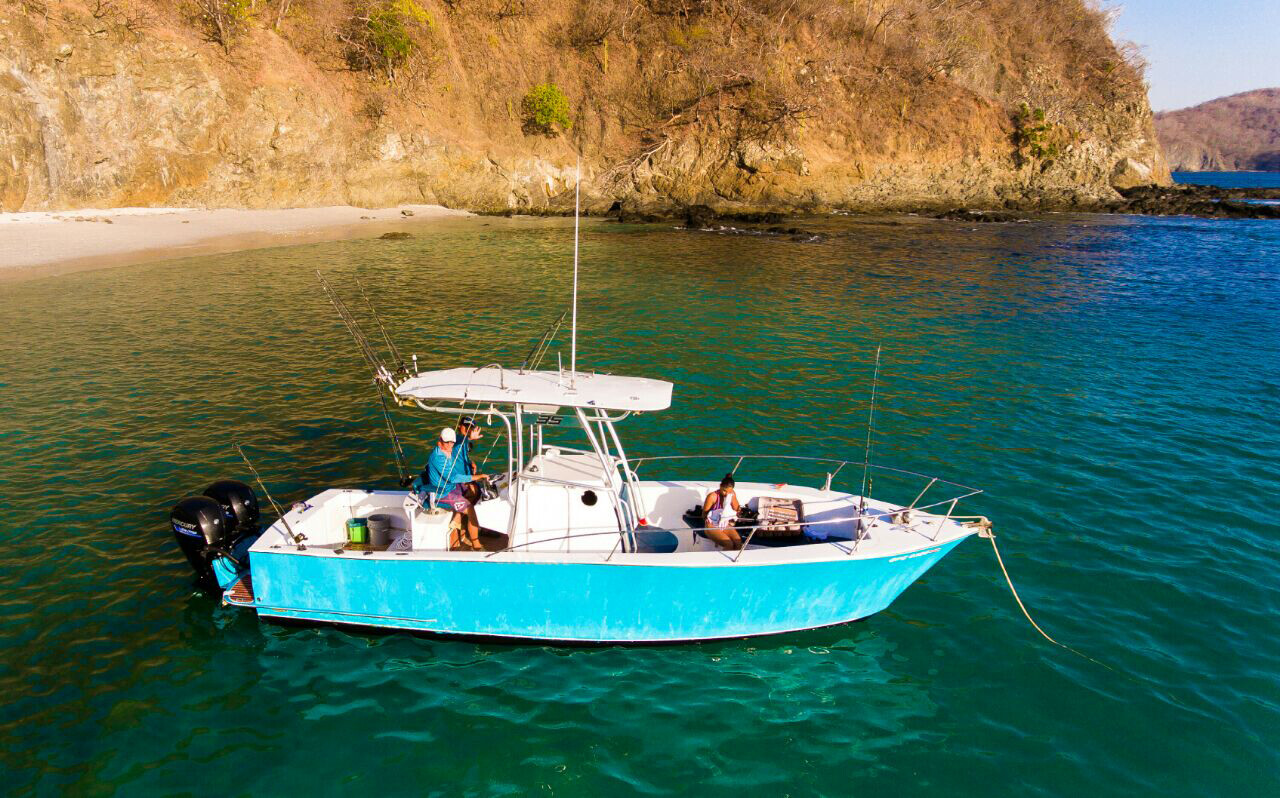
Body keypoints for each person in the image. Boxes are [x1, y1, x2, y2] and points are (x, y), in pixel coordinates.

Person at [417, 427, 488, 551]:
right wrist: (477, 476)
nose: (450, 445)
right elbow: (453, 477)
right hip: (442, 493)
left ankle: (459, 524)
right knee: (470, 509)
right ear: (440, 441)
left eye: (452, 442)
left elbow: (460, 441)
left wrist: (470, 438)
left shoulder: (447, 449)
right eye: (447, 442)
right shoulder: (439, 457)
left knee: (474, 490)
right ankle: (476, 545)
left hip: (451, 488)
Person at [702, 473, 744, 550]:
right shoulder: (712, 496)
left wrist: (735, 512)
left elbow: (737, 509)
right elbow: (704, 514)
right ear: (720, 486)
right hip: (711, 524)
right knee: (729, 544)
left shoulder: (732, 494)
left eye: (729, 492)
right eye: (724, 491)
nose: (726, 494)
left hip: (724, 523)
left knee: (738, 543)